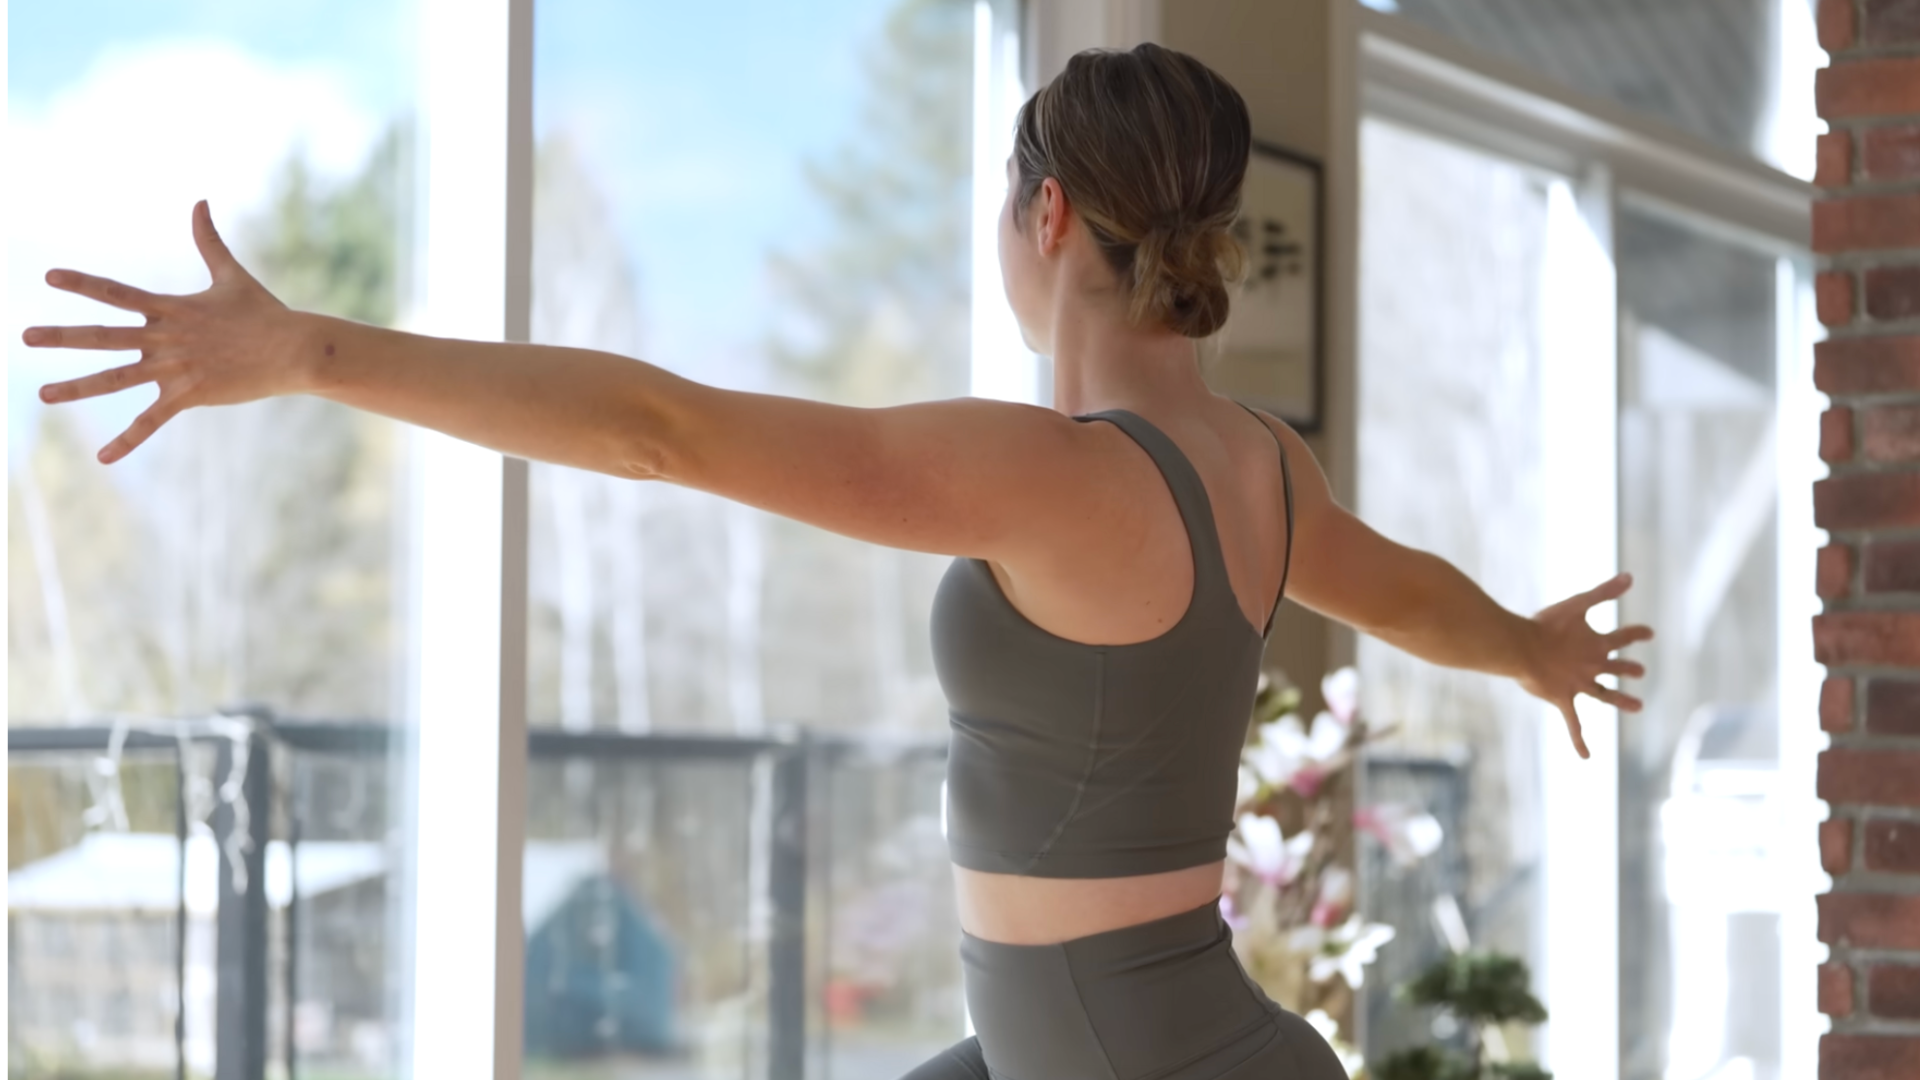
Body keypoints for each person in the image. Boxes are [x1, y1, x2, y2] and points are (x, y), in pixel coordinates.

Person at [27, 41, 1649, 1080]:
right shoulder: (1260, 464)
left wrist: (312, 350)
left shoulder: (1056, 474)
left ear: (1053, 219)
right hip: (1140, 1038)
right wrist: (1531, 649)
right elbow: (1406, 591)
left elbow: (665, 431)